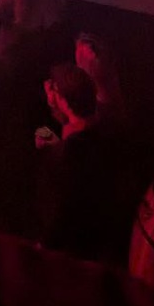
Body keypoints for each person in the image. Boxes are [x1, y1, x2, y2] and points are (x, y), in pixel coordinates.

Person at [34, 63, 136, 262]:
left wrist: (43, 246)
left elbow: (62, 215)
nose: (47, 85)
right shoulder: (108, 129)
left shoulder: (66, 159)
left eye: (53, 86)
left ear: (65, 102)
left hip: (77, 250)